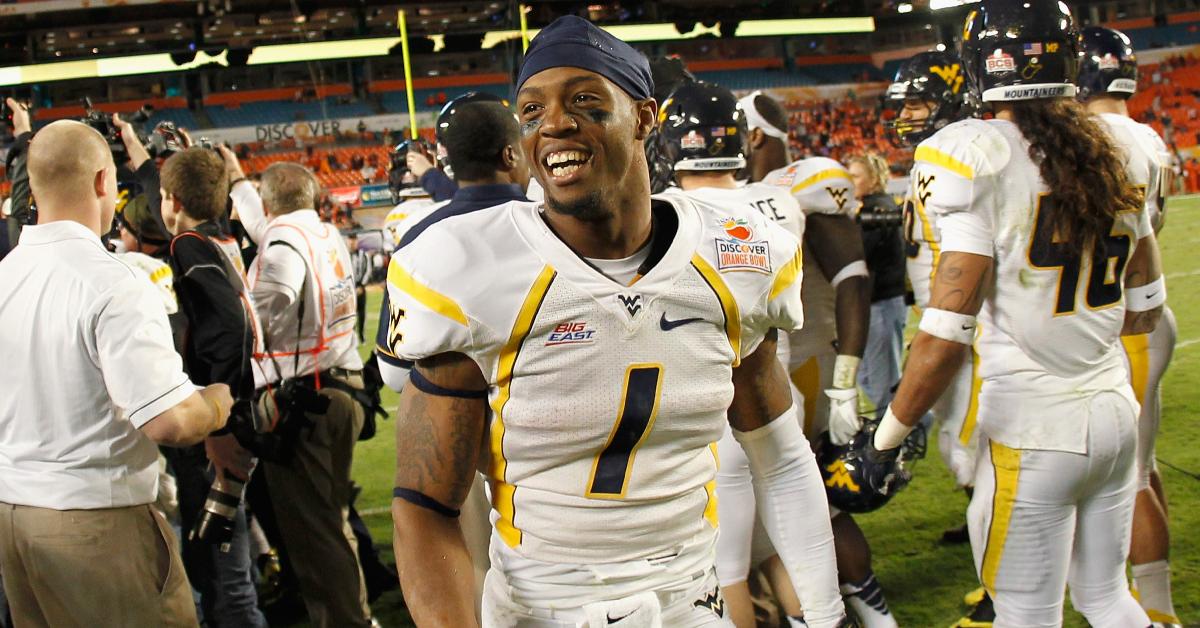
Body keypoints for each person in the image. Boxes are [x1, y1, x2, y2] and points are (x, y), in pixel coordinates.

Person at [385, 16, 848, 627]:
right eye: (531, 111)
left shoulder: (735, 255)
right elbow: (423, 505)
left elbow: (783, 460)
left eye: (584, 100)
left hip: (691, 601)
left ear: (646, 118)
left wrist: (826, 613)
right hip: (544, 609)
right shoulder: (467, 266)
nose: (553, 123)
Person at [866, 2, 1163, 626]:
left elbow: (947, 328)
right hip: (1113, 410)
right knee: (1107, 598)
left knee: (1026, 615)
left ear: (981, 64)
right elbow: (1143, 308)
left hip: (1033, 431)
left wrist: (885, 438)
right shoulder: (1121, 147)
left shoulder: (977, 153)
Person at [0, 119, 234, 627]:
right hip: (96, 524)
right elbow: (170, 422)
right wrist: (217, 400)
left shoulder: (6, 274)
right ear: (104, 181)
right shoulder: (112, 281)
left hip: (14, 518)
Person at [653, 80, 841, 628]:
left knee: (726, 567)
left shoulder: (663, 210)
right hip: (776, 394)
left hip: (708, 409)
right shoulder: (782, 200)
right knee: (782, 542)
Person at [741, 91, 893, 628]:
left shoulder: (801, 184)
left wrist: (846, 382)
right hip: (785, 366)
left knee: (801, 501)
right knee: (805, 500)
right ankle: (854, 609)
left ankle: (848, 611)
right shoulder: (757, 194)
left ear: (754, 135)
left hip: (802, 366)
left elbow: (853, 279)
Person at [224, 152, 373, 628]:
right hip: (340, 384)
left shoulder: (282, 241)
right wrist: (239, 180)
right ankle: (354, 615)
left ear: (271, 205)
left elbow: (275, 296)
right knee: (330, 523)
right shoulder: (322, 231)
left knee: (317, 532)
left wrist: (247, 316)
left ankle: (348, 621)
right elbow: (263, 222)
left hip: (307, 396)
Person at [1077, 25, 1180, 627]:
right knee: (1144, 466)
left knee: (1128, 479)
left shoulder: (1097, 138)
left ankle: (1158, 612)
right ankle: (1156, 599)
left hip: (1122, 314)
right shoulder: (1144, 133)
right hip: (1145, 312)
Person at [159, 146, 268, 628]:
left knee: (224, 569)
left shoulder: (189, 244)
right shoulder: (220, 240)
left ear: (172, 198)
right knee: (226, 559)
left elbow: (229, 325)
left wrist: (217, 411)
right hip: (240, 407)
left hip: (217, 423)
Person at [883, 50, 983, 571]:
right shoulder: (937, 152)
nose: (907, 115)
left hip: (965, 325)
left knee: (969, 444)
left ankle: (1003, 581)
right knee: (959, 439)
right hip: (940, 316)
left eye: (918, 103)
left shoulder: (958, 150)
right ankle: (983, 526)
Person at [845, 153, 905, 416]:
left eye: (856, 176)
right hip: (873, 305)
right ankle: (915, 422)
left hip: (882, 303)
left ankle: (894, 444)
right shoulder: (872, 207)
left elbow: (856, 254)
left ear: (874, 178)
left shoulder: (877, 209)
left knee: (882, 384)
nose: (851, 182)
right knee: (868, 378)